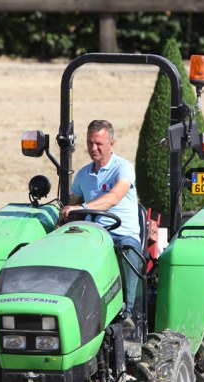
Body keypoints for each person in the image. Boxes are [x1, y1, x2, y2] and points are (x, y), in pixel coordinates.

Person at [61, 119, 141, 330]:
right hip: (94, 235)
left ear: (111, 144)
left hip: (122, 233)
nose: (93, 148)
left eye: (98, 144)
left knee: (129, 251)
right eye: (89, 143)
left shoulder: (123, 168)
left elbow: (114, 197)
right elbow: (71, 206)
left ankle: (128, 314)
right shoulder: (83, 175)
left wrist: (82, 207)